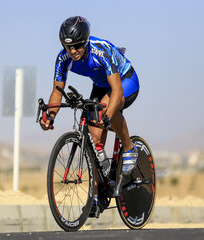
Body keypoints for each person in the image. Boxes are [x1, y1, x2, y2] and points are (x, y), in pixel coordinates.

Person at [40, 16, 140, 218]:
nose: (73, 51)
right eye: (68, 48)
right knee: (93, 140)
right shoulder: (63, 58)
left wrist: (108, 115)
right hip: (101, 86)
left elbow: (117, 90)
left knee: (104, 110)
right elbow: (57, 91)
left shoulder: (100, 50)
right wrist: (50, 115)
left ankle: (129, 148)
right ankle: (96, 195)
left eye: (77, 46)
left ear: (85, 42)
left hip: (125, 80)